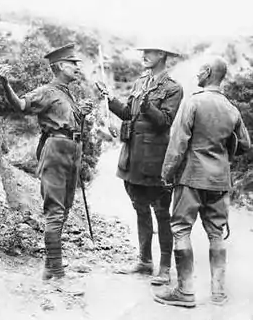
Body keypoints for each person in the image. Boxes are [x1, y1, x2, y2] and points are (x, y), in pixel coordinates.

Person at [154, 56, 251, 307]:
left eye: (200, 70)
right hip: (220, 180)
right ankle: (218, 293)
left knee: (181, 229)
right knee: (216, 234)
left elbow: (178, 143)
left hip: (191, 178)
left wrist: (167, 174)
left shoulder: (193, 102)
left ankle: (185, 292)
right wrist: (222, 153)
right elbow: (245, 145)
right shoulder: (231, 108)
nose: (197, 73)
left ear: (207, 73)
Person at [0, 43, 93, 281]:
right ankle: (54, 270)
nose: (77, 68)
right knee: (55, 210)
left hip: (72, 151)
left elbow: (68, 121)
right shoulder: (48, 91)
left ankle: (53, 264)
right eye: (73, 64)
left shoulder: (67, 93)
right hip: (57, 150)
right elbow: (20, 105)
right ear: (59, 66)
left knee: (65, 208)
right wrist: (5, 83)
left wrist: (82, 113)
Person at [99, 44, 183, 285]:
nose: (143, 56)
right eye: (143, 51)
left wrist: (148, 105)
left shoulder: (173, 88)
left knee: (162, 214)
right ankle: (145, 261)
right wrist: (110, 99)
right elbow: (127, 113)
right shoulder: (139, 83)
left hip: (155, 162)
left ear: (162, 55)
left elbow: (165, 121)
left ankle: (165, 266)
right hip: (133, 158)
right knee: (139, 209)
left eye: (150, 52)